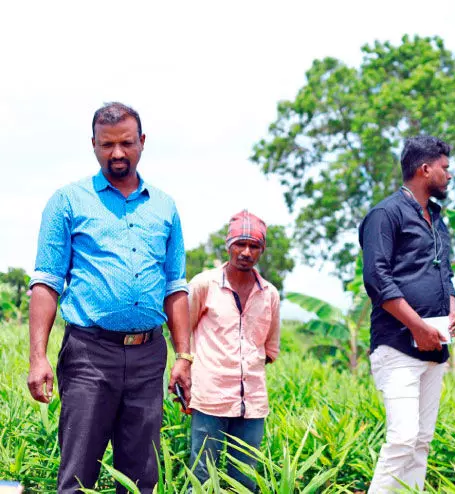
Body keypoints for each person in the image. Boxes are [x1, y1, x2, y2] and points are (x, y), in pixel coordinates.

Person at [26, 102, 192, 493]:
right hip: (89, 353)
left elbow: (175, 286)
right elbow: (47, 282)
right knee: (78, 473)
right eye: (107, 145)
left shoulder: (164, 207)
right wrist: (38, 357)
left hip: (149, 356)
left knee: (141, 477)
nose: (117, 153)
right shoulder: (68, 201)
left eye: (126, 143)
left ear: (142, 142)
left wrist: (184, 356)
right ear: (94, 145)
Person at [359, 135, 455, 493]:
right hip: (397, 345)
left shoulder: (437, 218)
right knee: (403, 439)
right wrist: (417, 326)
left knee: (421, 441)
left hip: (435, 345)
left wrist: (453, 312)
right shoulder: (385, 214)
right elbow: (377, 279)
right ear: (425, 169)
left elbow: (444, 274)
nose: (449, 175)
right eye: (445, 168)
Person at [187, 210, 281, 490]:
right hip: (209, 398)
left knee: (244, 478)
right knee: (203, 476)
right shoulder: (204, 285)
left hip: (252, 402)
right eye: (240, 244)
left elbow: (269, 349)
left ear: (261, 251)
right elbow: (182, 334)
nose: (246, 252)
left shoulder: (270, 294)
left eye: (254, 246)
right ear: (229, 246)